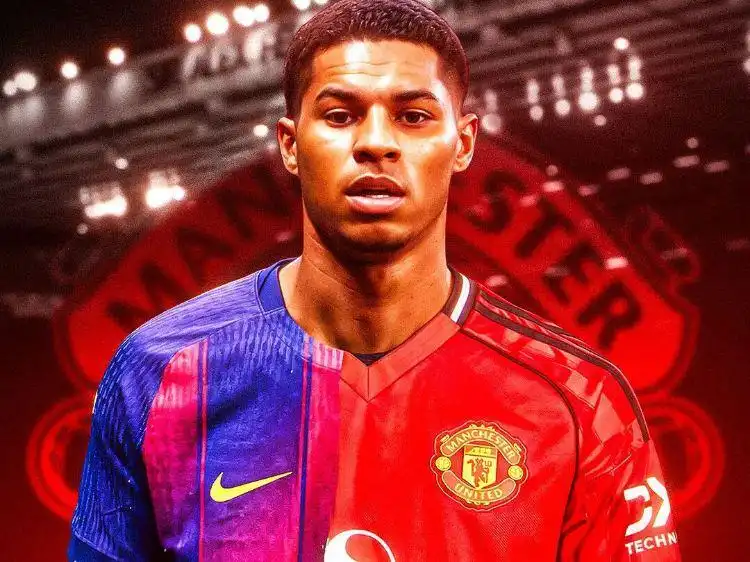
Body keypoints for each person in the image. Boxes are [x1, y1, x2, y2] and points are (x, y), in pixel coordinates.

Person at [69, 0, 681, 560]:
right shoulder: (159, 372)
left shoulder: (580, 400)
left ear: (463, 142)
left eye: (413, 116)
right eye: (340, 115)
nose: (377, 143)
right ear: (290, 145)